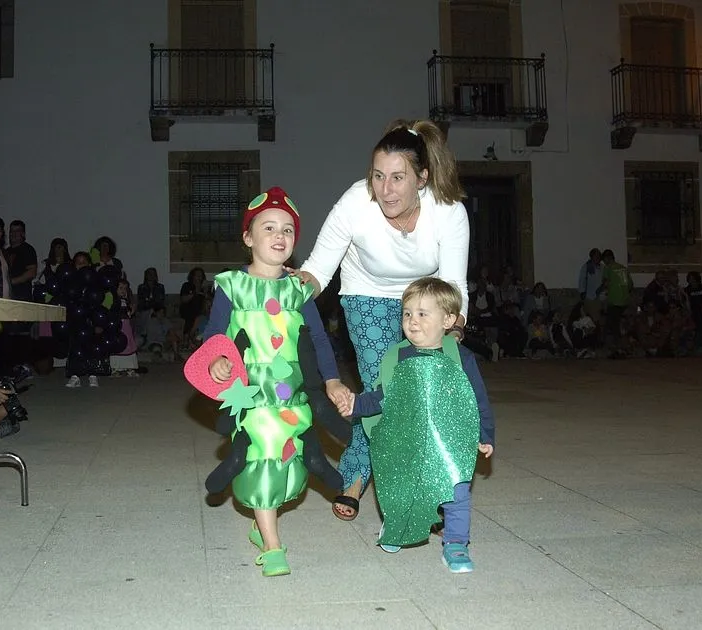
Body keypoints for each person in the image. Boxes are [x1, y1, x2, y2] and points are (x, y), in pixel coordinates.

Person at [294, 118, 470, 521]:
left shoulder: (448, 212)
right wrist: (286, 288)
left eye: (397, 177)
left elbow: (454, 284)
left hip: (423, 301)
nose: (385, 189)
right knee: (383, 390)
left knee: (417, 395)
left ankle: (414, 485)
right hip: (365, 296)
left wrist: (454, 330)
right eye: (377, 176)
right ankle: (365, 479)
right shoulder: (356, 203)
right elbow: (317, 270)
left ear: (422, 179)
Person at [198, 186, 352, 577]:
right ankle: (272, 545)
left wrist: (332, 381)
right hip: (250, 396)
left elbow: (319, 339)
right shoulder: (232, 286)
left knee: (289, 462)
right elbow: (214, 333)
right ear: (248, 237)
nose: (279, 235)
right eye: (268, 227)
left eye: (287, 229)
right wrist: (216, 358)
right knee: (261, 455)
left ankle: (261, 521)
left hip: (293, 397)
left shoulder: (299, 289)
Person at [336, 278, 494, 573]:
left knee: (456, 489)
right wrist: (356, 404)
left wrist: (485, 435)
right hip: (408, 440)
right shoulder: (397, 357)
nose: (412, 320)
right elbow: (384, 396)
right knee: (401, 486)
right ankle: (397, 526)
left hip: (450, 441)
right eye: (407, 313)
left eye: (423, 313)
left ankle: (456, 543)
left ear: (448, 320)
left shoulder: (461, 357)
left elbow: (477, 400)